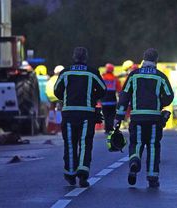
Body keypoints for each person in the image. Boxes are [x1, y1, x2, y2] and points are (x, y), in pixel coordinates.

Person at [114, 48, 174, 188]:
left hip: (137, 117)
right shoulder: (160, 76)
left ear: (143, 59)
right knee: (153, 145)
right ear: (156, 60)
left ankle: (134, 161)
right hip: (154, 118)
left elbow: (124, 96)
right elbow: (169, 96)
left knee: (136, 143)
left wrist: (119, 117)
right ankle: (152, 176)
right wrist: (160, 103)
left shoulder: (134, 75)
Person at [54, 47, 106, 187]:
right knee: (84, 143)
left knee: (70, 144)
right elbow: (103, 89)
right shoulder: (92, 73)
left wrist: (67, 98)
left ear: (74, 57)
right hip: (86, 113)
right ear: (86, 58)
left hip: (69, 113)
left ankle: (70, 174)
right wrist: (92, 97)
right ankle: (82, 174)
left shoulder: (65, 73)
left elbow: (57, 91)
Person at [101, 63, 122, 134]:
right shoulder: (115, 78)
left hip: (104, 100)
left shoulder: (102, 77)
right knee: (112, 115)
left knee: (105, 115)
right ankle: (110, 128)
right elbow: (119, 89)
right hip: (113, 100)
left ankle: (107, 129)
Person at [46, 65, 64, 134]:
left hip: (50, 97)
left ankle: (51, 127)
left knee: (52, 110)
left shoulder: (51, 78)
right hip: (58, 96)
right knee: (59, 111)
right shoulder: (61, 78)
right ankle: (59, 127)